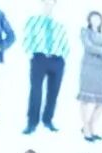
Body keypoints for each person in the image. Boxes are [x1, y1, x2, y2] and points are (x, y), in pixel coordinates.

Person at [21, 0, 69, 135]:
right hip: (39, 58)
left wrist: (63, 57)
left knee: (53, 92)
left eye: (51, 3)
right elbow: (27, 39)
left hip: (57, 60)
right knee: (36, 92)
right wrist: (33, 54)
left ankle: (48, 120)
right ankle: (32, 123)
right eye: (46, 2)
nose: (48, 5)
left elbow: (64, 43)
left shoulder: (59, 24)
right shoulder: (33, 20)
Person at [78, 11, 102, 142]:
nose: (95, 21)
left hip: (100, 70)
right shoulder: (85, 32)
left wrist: (101, 50)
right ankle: (87, 130)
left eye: (98, 19)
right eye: (93, 18)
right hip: (88, 68)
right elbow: (89, 47)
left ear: (101, 21)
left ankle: (89, 125)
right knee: (86, 100)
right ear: (89, 20)